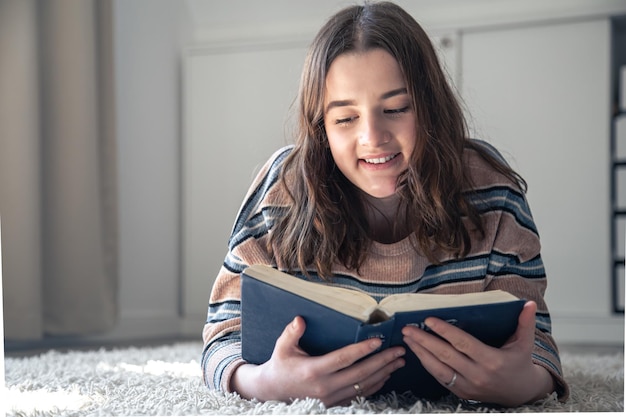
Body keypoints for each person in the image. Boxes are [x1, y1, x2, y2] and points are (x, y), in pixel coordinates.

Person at [201, 1, 569, 408]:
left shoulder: (490, 190)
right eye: (344, 118)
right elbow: (223, 336)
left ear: (430, 107)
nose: (373, 137)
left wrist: (526, 384)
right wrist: (262, 384)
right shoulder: (282, 189)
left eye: (395, 109)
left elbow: (535, 341)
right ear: (320, 126)